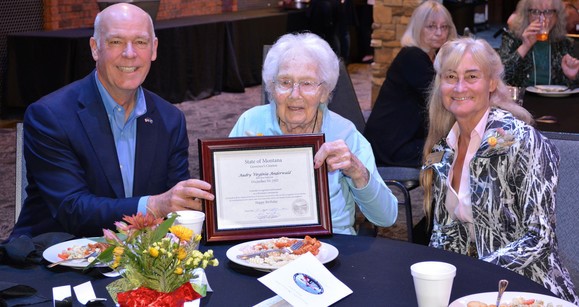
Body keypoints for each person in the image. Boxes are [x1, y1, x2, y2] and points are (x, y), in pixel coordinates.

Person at [9, 3, 214, 240]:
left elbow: (175, 206)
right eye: (116, 41)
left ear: (154, 49)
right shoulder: (50, 115)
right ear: (95, 48)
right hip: (57, 255)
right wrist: (155, 205)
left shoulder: (170, 119)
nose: (129, 53)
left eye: (140, 42)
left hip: (139, 257)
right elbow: (72, 209)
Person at [420, 37, 579, 304]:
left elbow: (539, 238)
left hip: (527, 287)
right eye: (450, 76)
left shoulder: (523, 141)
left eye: (472, 76)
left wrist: (476, 271)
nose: (459, 87)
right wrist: (436, 272)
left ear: (491, 83)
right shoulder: (443, 147)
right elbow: (444, 230)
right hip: (472, 286)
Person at [229, 32, 398, 235]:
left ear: (325, 92)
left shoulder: (344, 134)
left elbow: (386, 217)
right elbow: (227, 195)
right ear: (271, 88)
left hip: (331, 245)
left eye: (307, 83)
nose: (295, 94)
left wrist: (357, 171)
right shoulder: (251, 122)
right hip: (262, 244)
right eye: (285, 82)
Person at [364, 0, 457, 167]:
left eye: (444, 27)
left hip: (404, 139)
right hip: (393, 147)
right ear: (418, 28)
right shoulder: (412, 57)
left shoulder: (429, 56)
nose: (439, 33)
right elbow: (444, 99)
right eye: (431, 26)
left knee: (454, 148)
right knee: (452, 154)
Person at [499, 0, 579, 87]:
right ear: (527, 15)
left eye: (548, 12)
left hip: (555, 99)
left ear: (557, 16)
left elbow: (572, 88)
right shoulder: (512, 38)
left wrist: (572, 77)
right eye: (535, 12)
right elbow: (500, 77)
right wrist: (524, 47)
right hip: (522, 99)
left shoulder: (566, 43)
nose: (542, 18)